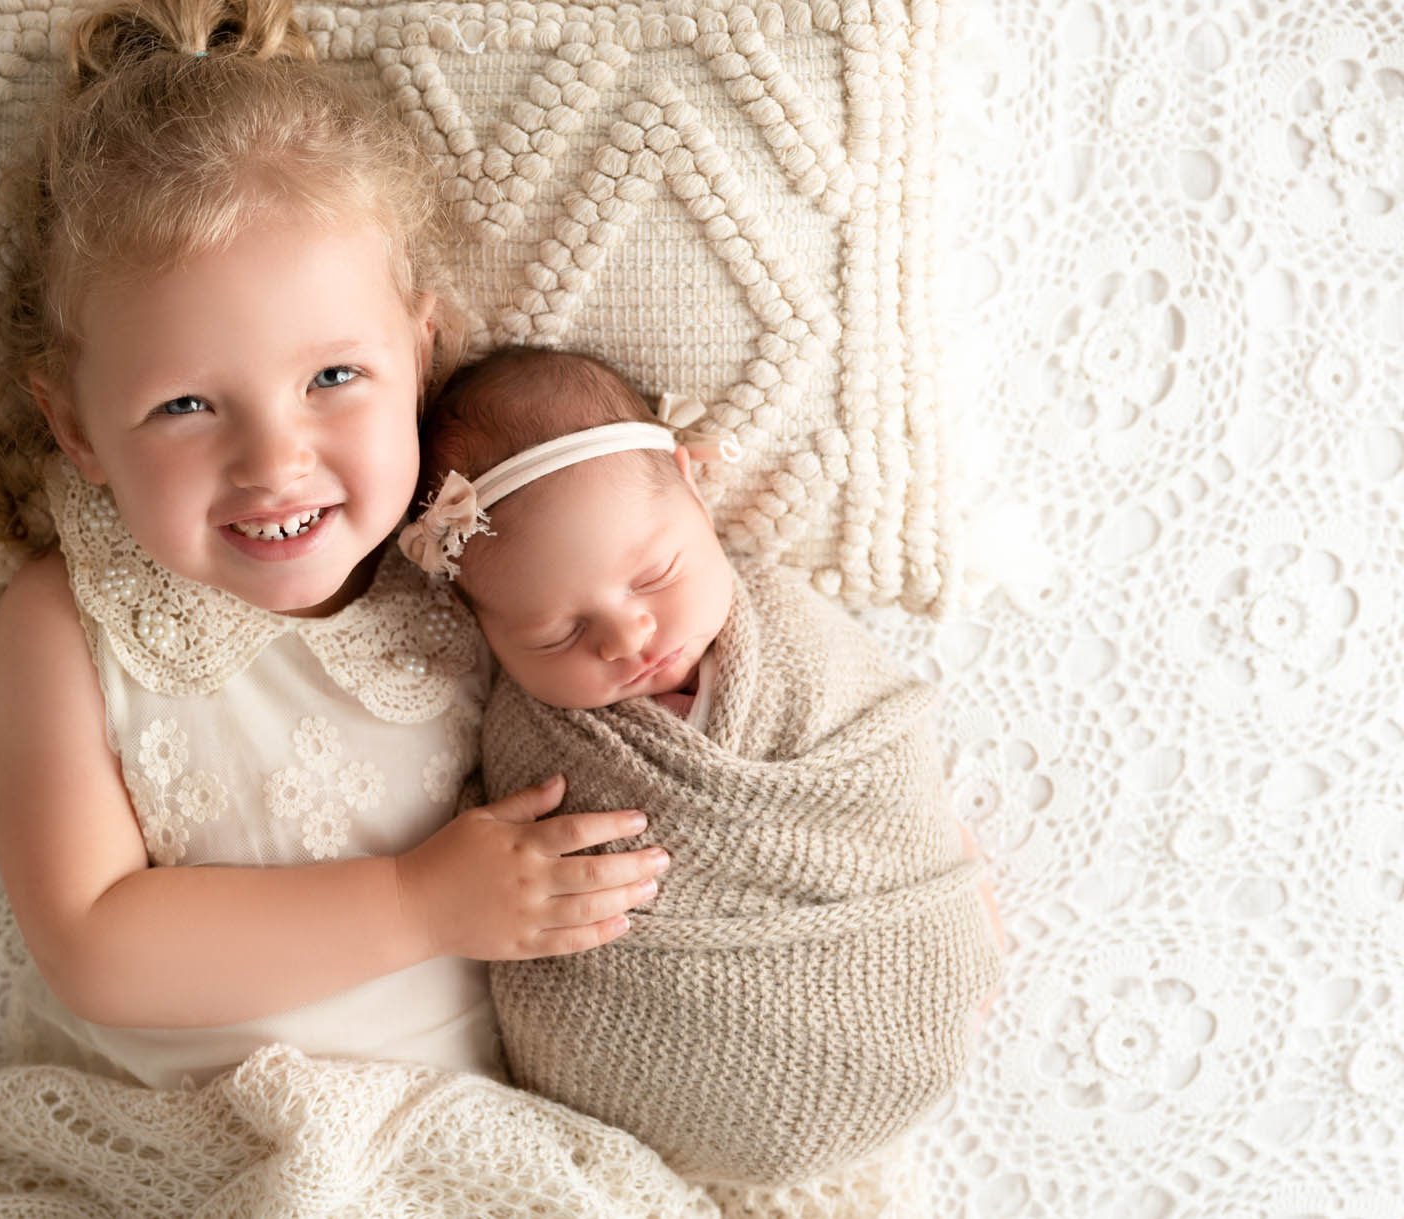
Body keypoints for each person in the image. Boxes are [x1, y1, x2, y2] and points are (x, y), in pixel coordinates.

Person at [0, 0, 670, 1093]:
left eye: (333, 376)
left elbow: (678, 691)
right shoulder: (69, 618)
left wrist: (873, 834)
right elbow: (91, 945)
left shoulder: (473, 563)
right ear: (77, 427)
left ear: (419, 355)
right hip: (179, 1137)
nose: (272, 463)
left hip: (456, 1130)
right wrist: (419, 902)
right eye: (184, 405)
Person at [400, 344, 1005, 1190]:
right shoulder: (532, 742)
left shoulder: (797, 639)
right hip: (648, 1073)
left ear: (693, 487)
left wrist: (935, 864)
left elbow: (886, 761)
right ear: (488, 633)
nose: (627, 639)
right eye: (557, 633)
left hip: (895, 972)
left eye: (655, 575)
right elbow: (523, 889)